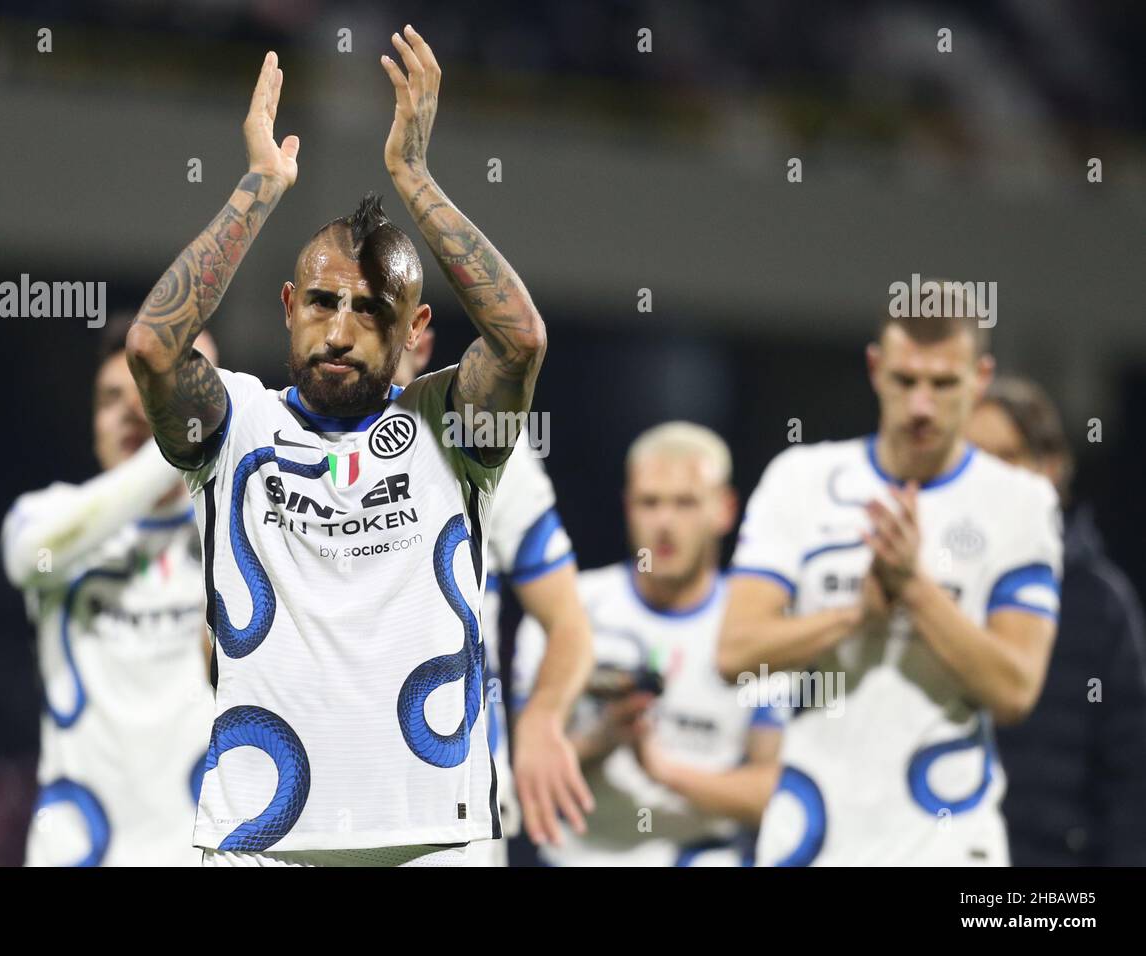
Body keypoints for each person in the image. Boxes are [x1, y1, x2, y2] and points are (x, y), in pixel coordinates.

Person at [125, 28, 586, 866]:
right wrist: (259, 190)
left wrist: (414, 176)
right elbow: (153, 350)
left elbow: (521, 341)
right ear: (290, 305)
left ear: (414, 331)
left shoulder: (449, 430)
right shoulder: (238, 426)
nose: (339, 331)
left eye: (370, 310)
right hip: (260, 838)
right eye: (323, 304)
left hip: (432, 838)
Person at [722, 284, 1062, 865]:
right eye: (906, 381)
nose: (922, 406)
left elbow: (1015, 689)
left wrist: (913, 589)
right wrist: (855, 615)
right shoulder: (799, 480)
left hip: (948, 843)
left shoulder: (1022, 503)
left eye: (944, 383)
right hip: (811, 839)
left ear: (980, 379)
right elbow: (735, 653)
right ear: (875, 369)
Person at [514, 423, 784, 865]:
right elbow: (523, 769)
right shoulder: (565, 612)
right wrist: (604, 738)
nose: (665, 523)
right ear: (627, 507)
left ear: (725, 509)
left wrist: (662, 769)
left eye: (686, 503)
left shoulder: (755, 625)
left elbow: (774, 794)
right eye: (650, 502)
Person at [1, 319, 217, 866]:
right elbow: (27, 556)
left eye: (145, 395)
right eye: (110, 398)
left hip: (197, 853)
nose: (128, 412)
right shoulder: (46, 518)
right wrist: (173, 437)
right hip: (76, 852)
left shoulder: (231, 534)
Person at [393, 330, 593, 866]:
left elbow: (568, 623)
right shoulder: (287, 442)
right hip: (319, 807)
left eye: (378, 314)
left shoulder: (480, 437)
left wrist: (543, 718)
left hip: (455, 821)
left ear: (420, 336)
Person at [967, 375, 1146, 865]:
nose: (982, 479)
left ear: (1051, 469)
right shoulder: (923, 587)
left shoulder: (1101, 604)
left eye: (1003, 459)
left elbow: (1132, 778)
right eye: (968, 459)